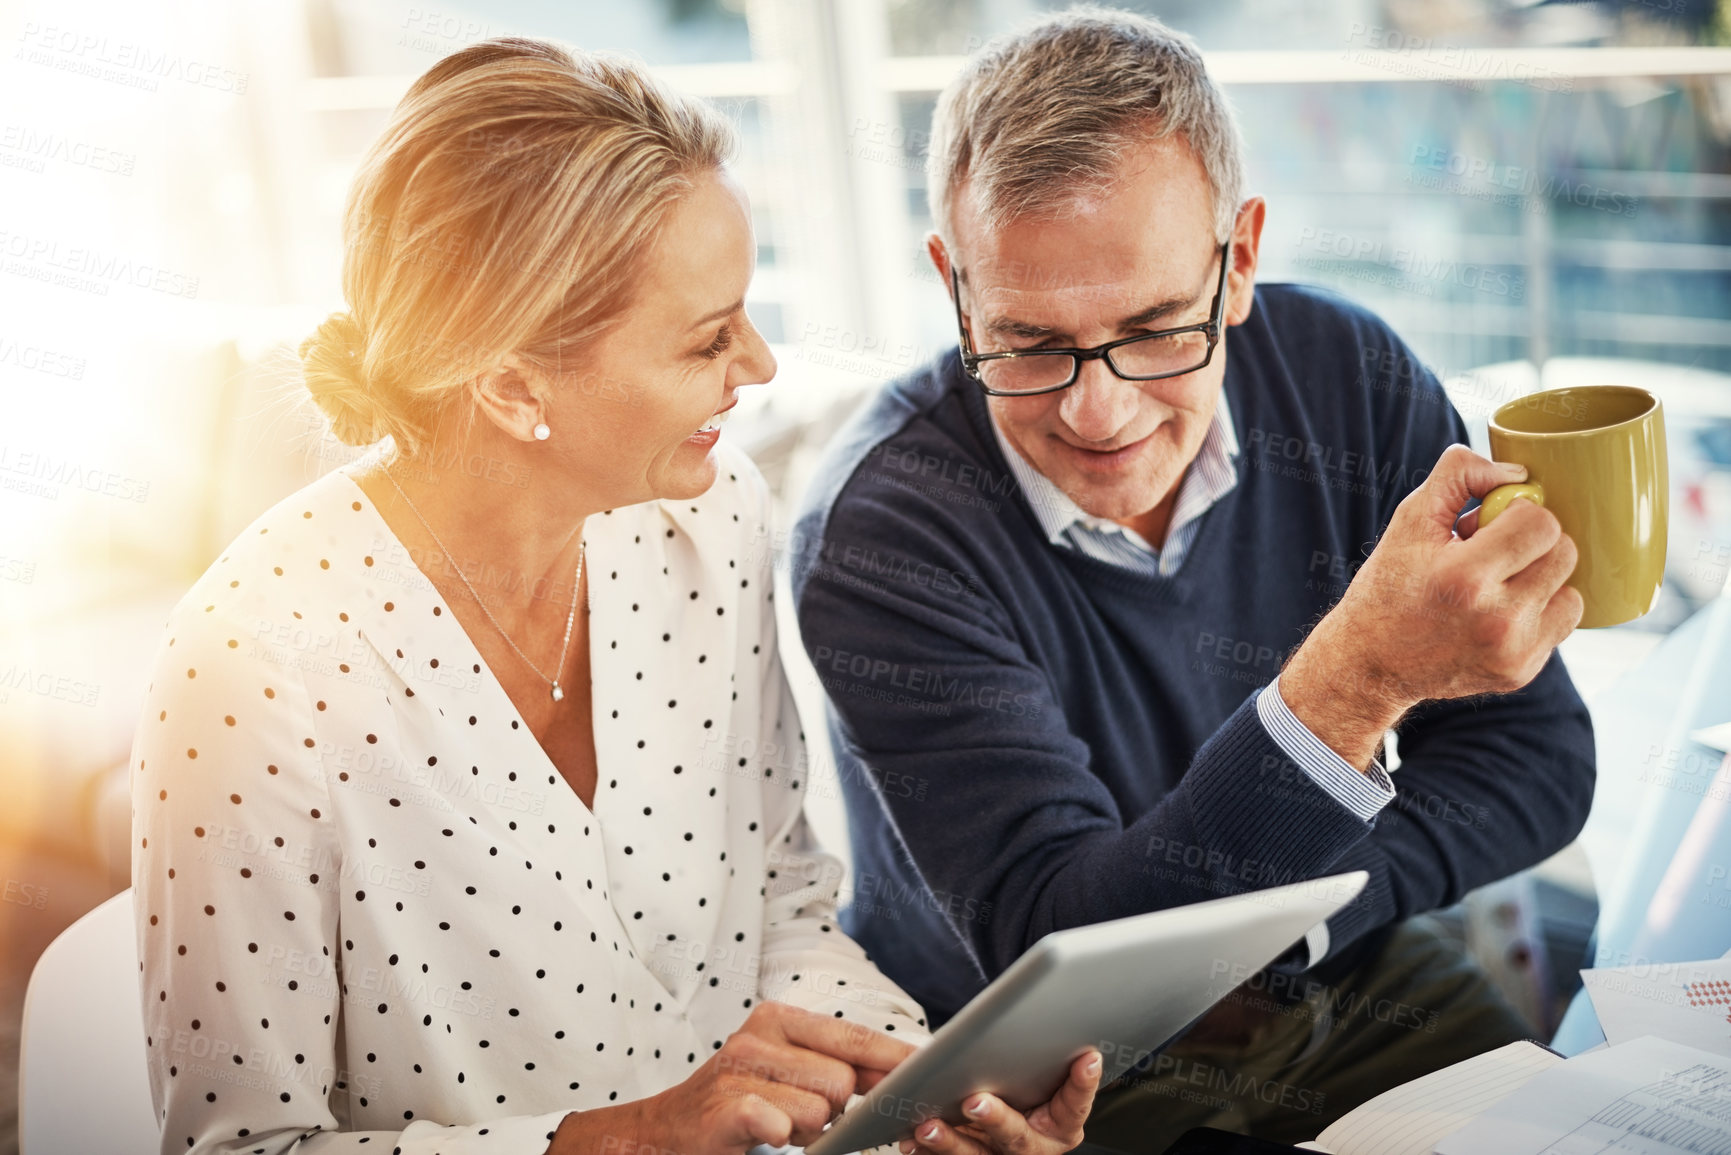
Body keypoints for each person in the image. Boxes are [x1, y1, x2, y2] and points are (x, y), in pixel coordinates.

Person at [130, 37, 1101, 1155]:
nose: (760, 365)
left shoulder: (710, 517)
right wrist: (618, 1139)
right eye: (705, 339)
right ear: (510, 384)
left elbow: (782, 917)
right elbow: (237, 1149)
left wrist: (928, 1103)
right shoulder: (251, 665)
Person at [791, 8, 1594, 1150]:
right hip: (1041, 1092)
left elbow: (1539, 756)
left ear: (1242, 259)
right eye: (1027, 340)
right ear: (954, 287)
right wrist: (1357, 677)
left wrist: (1299, 927)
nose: (1096, 411)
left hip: (1353, 982)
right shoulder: (880, 534)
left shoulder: (1349, 377)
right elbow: (1061, 959)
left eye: (1157, 326)